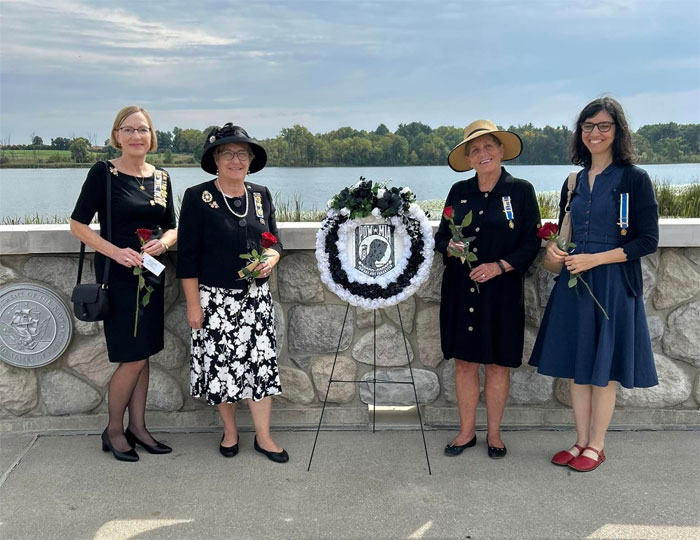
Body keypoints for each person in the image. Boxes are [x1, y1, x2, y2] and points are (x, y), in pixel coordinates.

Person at [529, 97, 659, 472]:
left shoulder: (635, 178)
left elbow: (646, 241)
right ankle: (580, 440)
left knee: (602, 369)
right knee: (578, 365)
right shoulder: (572, 181)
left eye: (603, 126)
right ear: (580, 133)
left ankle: (597, 445)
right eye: (588, 126)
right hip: (574, 283)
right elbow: (565, 232)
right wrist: (556, 250)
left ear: (617, 131)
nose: (595, 133)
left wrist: (596, 259)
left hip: (613, 284)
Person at [70, 106, 177, 462]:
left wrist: (165, 242)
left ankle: (139, 427)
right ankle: (114, 429)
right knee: (130, 359)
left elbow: (173, 225)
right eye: (128, 130)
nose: (136, 136)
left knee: (143, 355)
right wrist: (115, 252)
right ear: (116, 135)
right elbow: (78, 225)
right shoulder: (104, 173)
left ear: (152, 136)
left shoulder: (162, 177)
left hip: (151, 274)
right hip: (117, 277)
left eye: (142, 130)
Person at [177, 123, 287, 463]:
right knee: (221, 369)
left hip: (256, 301)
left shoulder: (261, 194)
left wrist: (270, 258)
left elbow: (275, 241)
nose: (236, 160)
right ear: (215, 159)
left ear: (251, 160)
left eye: (242, 154)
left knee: (261, 368)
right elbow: (187, 257)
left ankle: (264, 437)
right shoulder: (197, 197)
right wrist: (194, 306)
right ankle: (230, 431)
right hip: (215, 301)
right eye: (228, 154)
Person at [436, 120, 541, 459]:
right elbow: (441, 237)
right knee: (464, 363)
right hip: (461, 289)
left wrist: (498, 267)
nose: (483, 154)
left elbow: (531, 242)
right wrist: (452, 247)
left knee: (497, 364)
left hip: (502, 292)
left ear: (500, 151)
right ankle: (466, 432)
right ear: (468, 159)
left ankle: (494, 434)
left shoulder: (521, 190)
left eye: (488, 147)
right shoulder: (458, 192)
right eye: (475, 150)